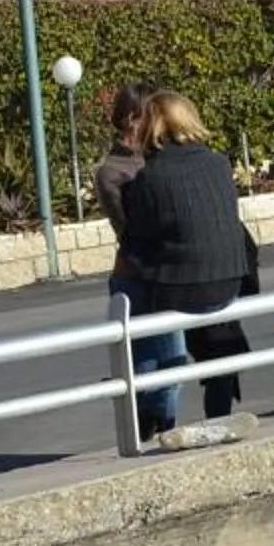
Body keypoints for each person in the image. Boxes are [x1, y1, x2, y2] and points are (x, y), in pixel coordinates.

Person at [112, 91, 259, 450]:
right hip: (228, 280)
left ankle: (154, 409)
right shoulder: (220, 164)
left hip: (181, 289)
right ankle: (217, 411)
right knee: (213, 327)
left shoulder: (148, 179)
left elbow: (136, 242)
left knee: (127, 287)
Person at [94, 82, 175, 442]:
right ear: (132, 118)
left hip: (167, 268)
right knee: (146, 357)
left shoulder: (166, 156)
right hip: (134, 272)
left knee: (172, 354)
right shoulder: (112, 171)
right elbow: (127, 227)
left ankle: (161, 420)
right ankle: (148, 424)